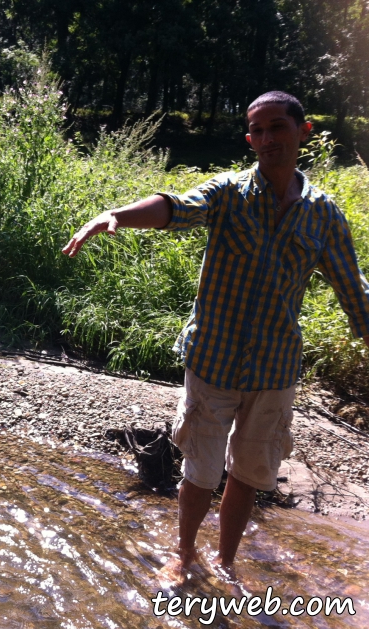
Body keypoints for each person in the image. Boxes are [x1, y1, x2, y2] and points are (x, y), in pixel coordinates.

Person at [62, 91, 369, 582]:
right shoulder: (229, 192)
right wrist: (116, 215)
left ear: (302, 131)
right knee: (200, 472)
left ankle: (225, 562)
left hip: (274, 369)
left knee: (248, 475)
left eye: (277, 128)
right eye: (258, 131)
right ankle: (184, 554)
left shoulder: (324, 216)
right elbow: (175, 208)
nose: (267, 139)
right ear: (250, 139)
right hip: (214, 359)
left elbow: (354, 292)